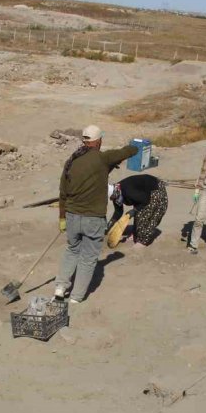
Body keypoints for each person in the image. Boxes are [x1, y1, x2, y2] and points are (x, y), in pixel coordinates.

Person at [54, 125, 136, 303]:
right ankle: (76, 297)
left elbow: (62, 192)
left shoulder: (72, 160)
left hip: (72, 216)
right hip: (93, 219)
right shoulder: (102, 158)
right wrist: (137, 146)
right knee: (88, 258)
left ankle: (60, 287)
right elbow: (126, 152)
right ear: (98, 141)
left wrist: (62, 217)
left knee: (72, 250)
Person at [107, 174, 168, 247]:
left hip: (155, 189)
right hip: (142, 193)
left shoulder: (127, 191)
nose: (113, 199)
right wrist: (110, 224)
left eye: (113, 197)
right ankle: (135, 235)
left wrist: (133, 211)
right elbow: (118, 212)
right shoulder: (116, 194)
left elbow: (145, 200)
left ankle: (142, 241)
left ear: (115, 192)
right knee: (137, 211)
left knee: (145, 214)